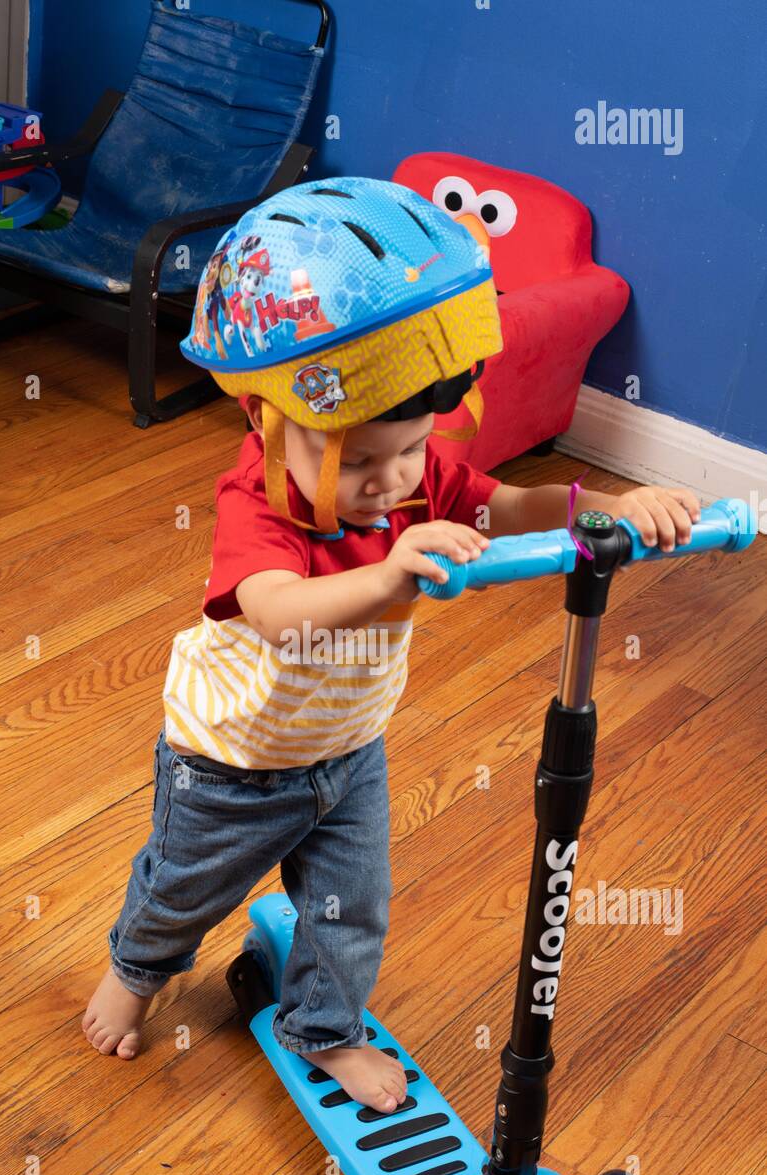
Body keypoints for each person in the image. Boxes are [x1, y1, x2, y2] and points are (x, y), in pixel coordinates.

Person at [83, 177, 699, 1114]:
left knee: (351, 910)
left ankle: (323, 1033)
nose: (393, 479)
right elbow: (281, 609)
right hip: (232, 764)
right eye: (361, 459)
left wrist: (608, 504)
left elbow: (510, 507)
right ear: (269, 420)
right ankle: (135, 971)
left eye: (408, 450)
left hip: (348, 750)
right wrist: (392, 573)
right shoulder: (255, 504)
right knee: (182, 894)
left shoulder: (415, 473)